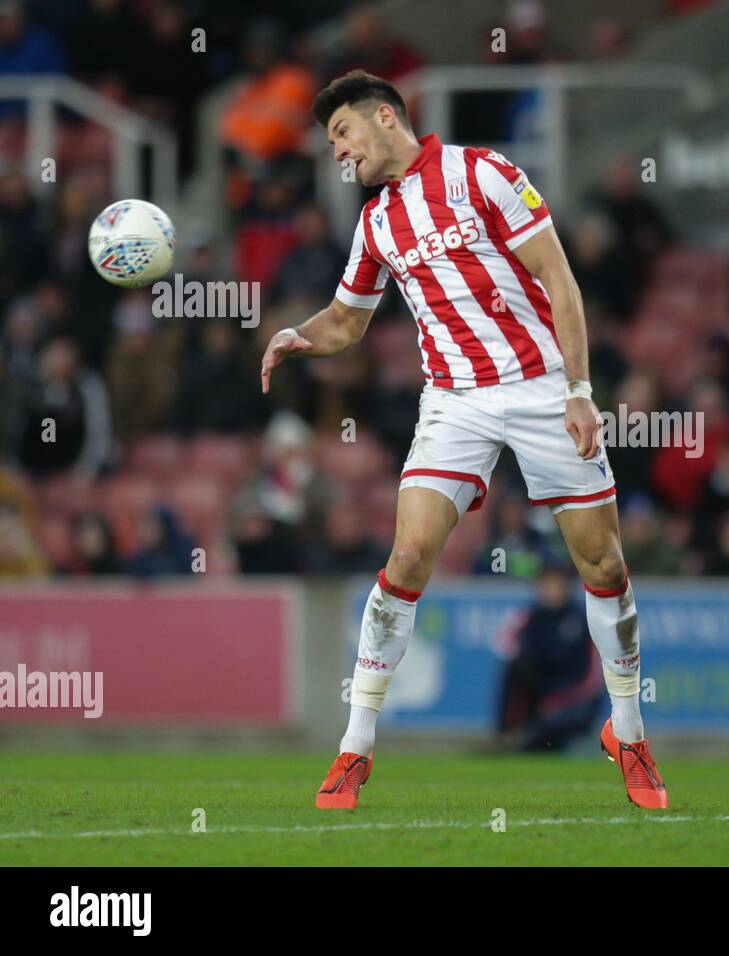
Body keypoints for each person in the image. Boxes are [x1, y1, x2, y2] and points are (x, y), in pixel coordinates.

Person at [261, 71, 666, 811]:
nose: (338, 155)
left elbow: (560, 278)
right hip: (455, 401)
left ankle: (630, 732)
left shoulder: (486, 173)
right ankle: (354, 750)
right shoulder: (377, 222)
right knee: (409, 553)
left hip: (544, 387)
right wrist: (298, 336)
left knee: (604, 562)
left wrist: (579, 391)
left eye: (342, 135)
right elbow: (348, 321)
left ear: (385, 118)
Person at [495, 560, 605, 752]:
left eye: (555, 584)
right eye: (545, 584)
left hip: (576, 701)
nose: (550, 590)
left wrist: (558, 701)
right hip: (543, 699)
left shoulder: (584, 621)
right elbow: (504, 644)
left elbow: (592, 679)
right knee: (516, 667)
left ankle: (530, 741)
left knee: (546, 732)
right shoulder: (531, 619)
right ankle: (506, 734)